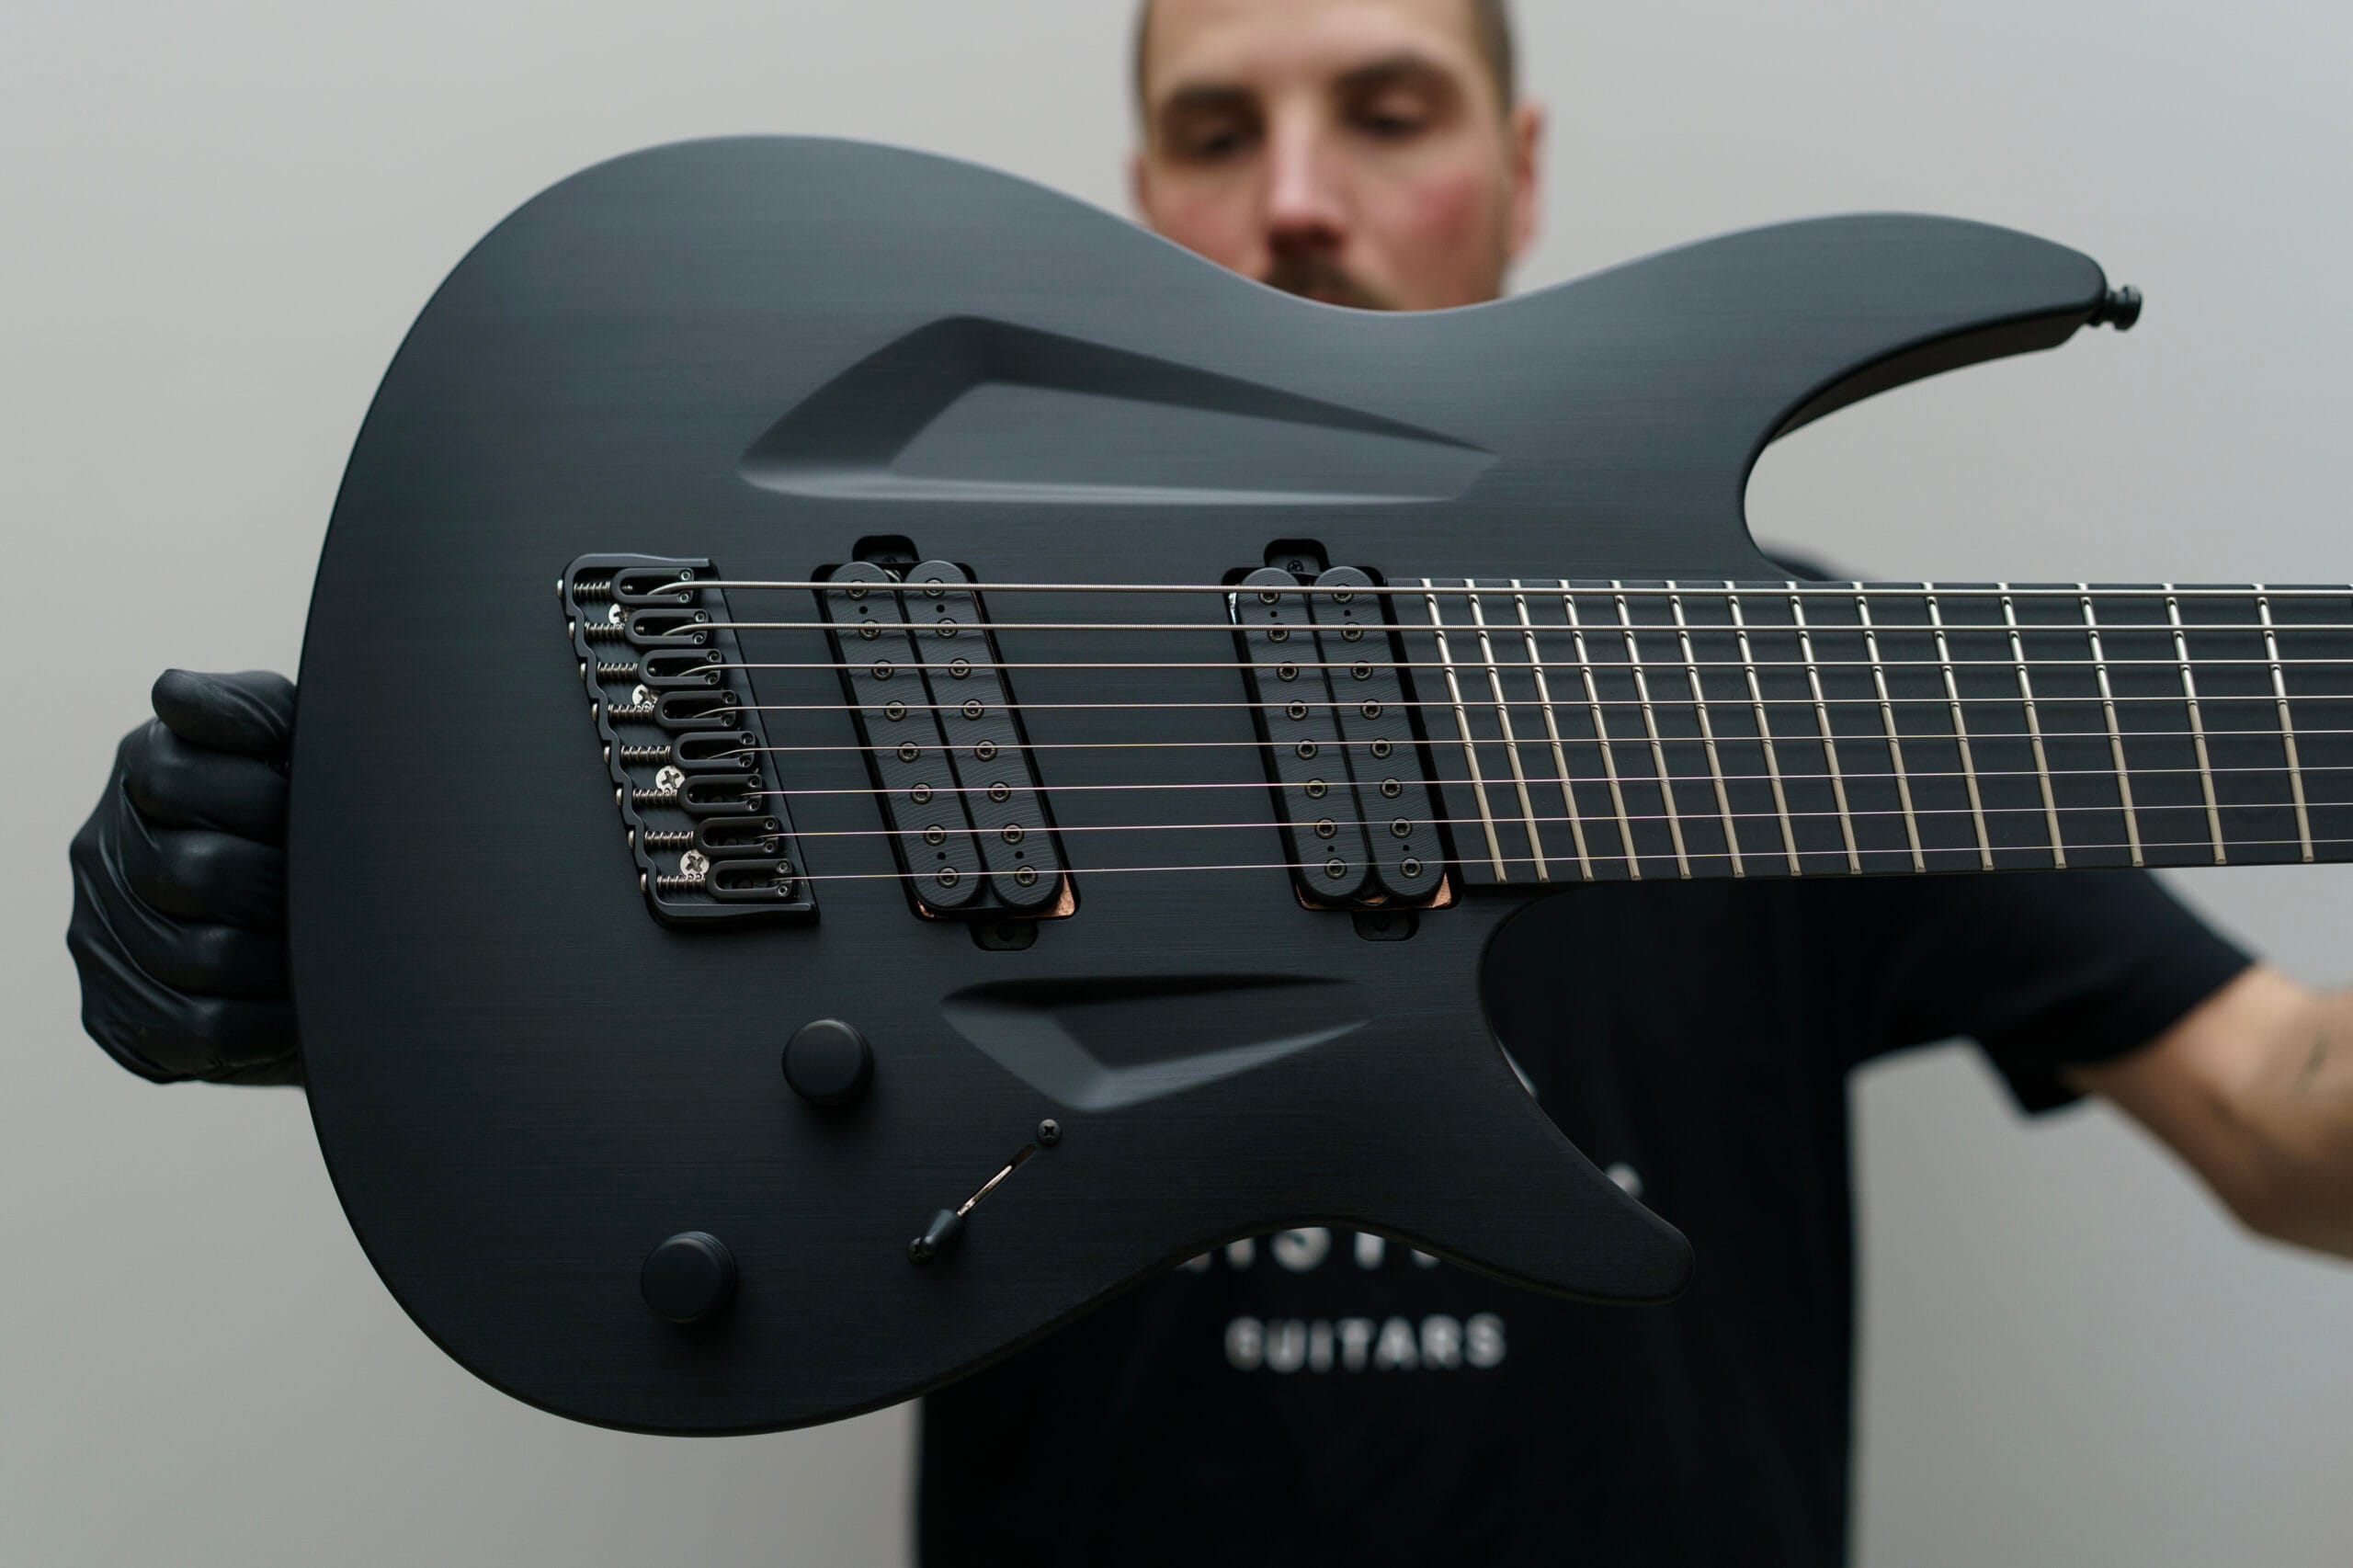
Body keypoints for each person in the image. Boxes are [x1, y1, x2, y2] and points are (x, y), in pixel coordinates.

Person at [65, 1, 2353, 1562]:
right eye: (1214, 127)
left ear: (1516, 170)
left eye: (1387, 107)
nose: (1299, 198)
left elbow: (2274, 1119)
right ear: (1128, 201)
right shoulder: (919, 619)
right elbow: (615, 961)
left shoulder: (1806, 680)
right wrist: (357, 926)